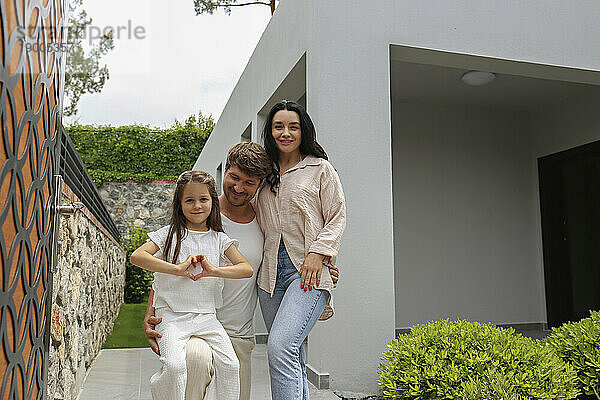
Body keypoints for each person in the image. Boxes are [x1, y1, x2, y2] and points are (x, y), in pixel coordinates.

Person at [143, 142, 340, 400]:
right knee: (193, 365)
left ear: (259, 184)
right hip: (195, 324)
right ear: (225, 171)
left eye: (249, 182)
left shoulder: (264, 218)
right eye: (234, 177)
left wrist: (325, 264)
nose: (238, 188)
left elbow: (290, 251)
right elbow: (169, 262)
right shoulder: (200, 213)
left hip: (238, 334)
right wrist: (151, 311)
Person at [130, 170, 253, 400]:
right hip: (172, 317)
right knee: (175, 367)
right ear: (179, 203)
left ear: (212, 202)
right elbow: (137, 257)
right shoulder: (169, 234)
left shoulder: (218, 239)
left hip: (207, 317)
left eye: (203, 199)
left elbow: (246, 269)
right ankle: (162, 392)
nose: (197, 205)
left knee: (231, 366)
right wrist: (176, 269)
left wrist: (214, 271)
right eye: (189, 200)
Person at [255, 100, 346, 400]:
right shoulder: (263, 175)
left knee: (280, 347)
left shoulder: (320, 169)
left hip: (306, 272)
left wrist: (319, 254)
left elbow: (337, 216)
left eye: (293, 126)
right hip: (269, 278)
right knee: (291, 355)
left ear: (303, 130)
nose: (285, 132)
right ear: (269, 131)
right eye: (278, 126)